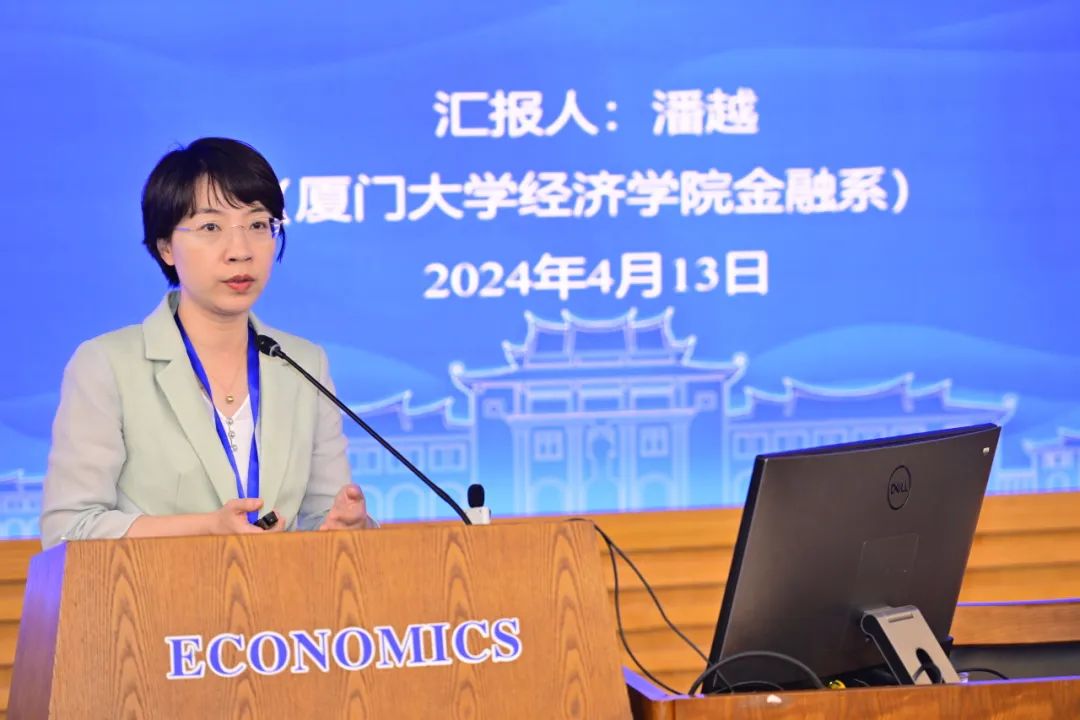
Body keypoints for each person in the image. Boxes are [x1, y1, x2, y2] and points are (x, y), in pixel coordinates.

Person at [39, 137, 373, 549]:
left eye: (258, 225)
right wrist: (205, 529)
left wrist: (347, 528)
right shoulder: (108, 365)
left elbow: (324, 517)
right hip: (152, 591)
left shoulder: (303, 364)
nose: (240, 251)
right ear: (166, 246)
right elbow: (68, 528)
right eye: (211, 227)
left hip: (280, 593)